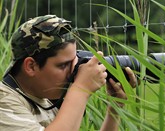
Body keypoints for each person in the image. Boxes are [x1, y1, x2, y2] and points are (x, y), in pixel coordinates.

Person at [0, 15, 137, 131]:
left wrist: (114, 108)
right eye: (63, 65)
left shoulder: (44, 99)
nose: (73, 71)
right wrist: (81, 89)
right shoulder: (4, 101)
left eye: (74, 62)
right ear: (31, 66)